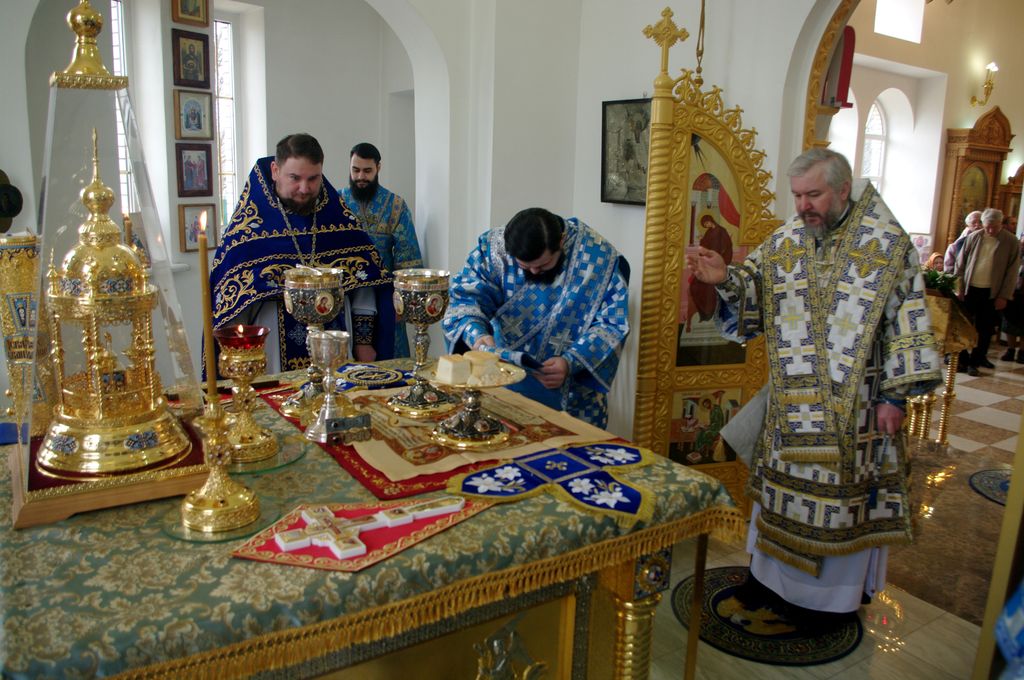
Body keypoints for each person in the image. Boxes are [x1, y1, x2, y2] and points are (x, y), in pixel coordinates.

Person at [686, 148, 942, 626]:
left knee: (841, 508)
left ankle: (829, 604)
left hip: (857, 410)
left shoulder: (886, 244)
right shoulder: (788, 239)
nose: (803, 206)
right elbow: (754, 287)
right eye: (798, 196)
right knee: (778, 498)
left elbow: (907, 319)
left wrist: (894, 396)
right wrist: (725, 279)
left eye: (814, 195)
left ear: (843, 189)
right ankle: (767, 583)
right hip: (792, 404)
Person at [211, 133, 395, 374]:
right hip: (272, 354)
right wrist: (240, 358)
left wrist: (363, 341)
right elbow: (232, 304)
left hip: (336, 348)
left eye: (313, 178)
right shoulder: (248, 230)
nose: (304, 188)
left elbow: (364, 280)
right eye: (295, 178)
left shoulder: (338, 220)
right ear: (275, 170)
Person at [443, 207, 630, 428]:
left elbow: (611, 324)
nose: (533, 272)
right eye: (525, 266)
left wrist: (571, 362)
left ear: (561, 242)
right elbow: (465, 298)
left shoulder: (599, 259)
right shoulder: (494, 249)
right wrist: (477, 333)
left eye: (543, 265)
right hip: (501, 381)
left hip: (570, 392)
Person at [340, 142, 423, 358]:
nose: (361, 177)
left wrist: (402, 300)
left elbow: (408, 258)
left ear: (378, 168)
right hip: (346, 292)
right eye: (356, 170)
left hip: (386, 293)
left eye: (367, 171)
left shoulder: (395, 206)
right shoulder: (337, 203)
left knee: (391, 354)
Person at [955, 207, 1019, 376]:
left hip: (992, 292)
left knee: (984, 330)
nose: (990, 230)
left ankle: (975, 362)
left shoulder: (1011, 241)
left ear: (1001, 224)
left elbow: (1012, 271)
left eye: (994, 227)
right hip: (970, 289)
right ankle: (962, 360)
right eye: (987, 226)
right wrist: (958, 287)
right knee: (963, 325)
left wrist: (1004, 296)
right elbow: (960, 264)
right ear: (983, 224)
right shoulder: (974, 237)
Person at [1000, 233, 1024, 363]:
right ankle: (1010, 349)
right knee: (1009, 322)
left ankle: (1022, 352)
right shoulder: (1014, 253)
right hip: (1012, 292)